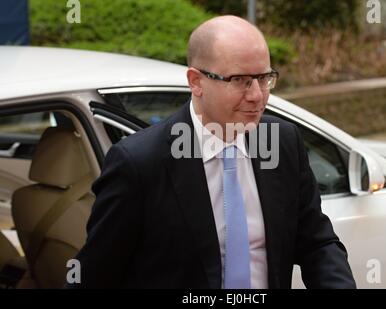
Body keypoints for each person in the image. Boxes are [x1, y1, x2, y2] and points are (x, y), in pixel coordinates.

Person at [68, 15, 356, 289]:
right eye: (240, 80)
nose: (257, 95)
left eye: (264, 78)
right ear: (196, 82)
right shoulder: (140, 163)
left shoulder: (281, 141)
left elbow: (317, 244)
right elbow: (94, 275)